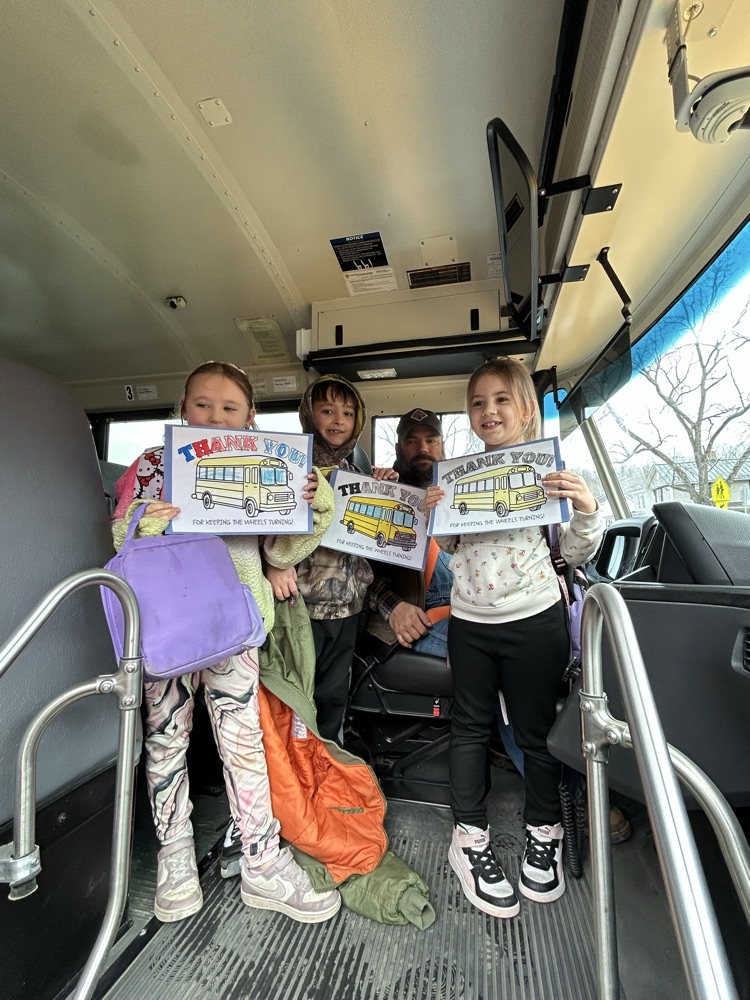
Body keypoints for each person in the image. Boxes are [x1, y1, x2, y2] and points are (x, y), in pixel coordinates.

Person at [111, 361, 341, 924]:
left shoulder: (271, 465)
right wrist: (144, 525)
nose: (215, 415)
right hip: (166, 627)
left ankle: (262, 861)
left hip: (233, 622)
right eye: (202, 405)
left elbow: (282, 554)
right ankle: (175, 857)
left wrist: (317, 505)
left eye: (230, 407)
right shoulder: (153, 465)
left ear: (250, 417)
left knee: (244, 744)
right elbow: (119, 539)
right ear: (181, 409)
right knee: (166, 740)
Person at [425, 358, 604, 919]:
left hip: (536, 618)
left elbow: (574, 555)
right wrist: (438, 517)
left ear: (527, 407)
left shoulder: (553, 473)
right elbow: (453, 551)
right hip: (471, 621)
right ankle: (469, 837)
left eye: (501, 399)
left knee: (535, 734)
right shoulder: (458, 476)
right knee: (469, 729)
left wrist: (587, 510)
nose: (489, 410)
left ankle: (543, 831)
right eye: (477, 402)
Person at [265, 374, 374, 744]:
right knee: (297, 695)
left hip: (349, 607)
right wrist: (273, 564)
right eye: (327, 410)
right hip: (302, 604)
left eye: (347, 412)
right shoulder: (292, 465)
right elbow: (265, 524)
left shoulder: (361, 473)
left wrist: (383, 484)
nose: (338, 420)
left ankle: (327, 765)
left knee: (333, 696)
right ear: (309, 414)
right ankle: (294, 773)